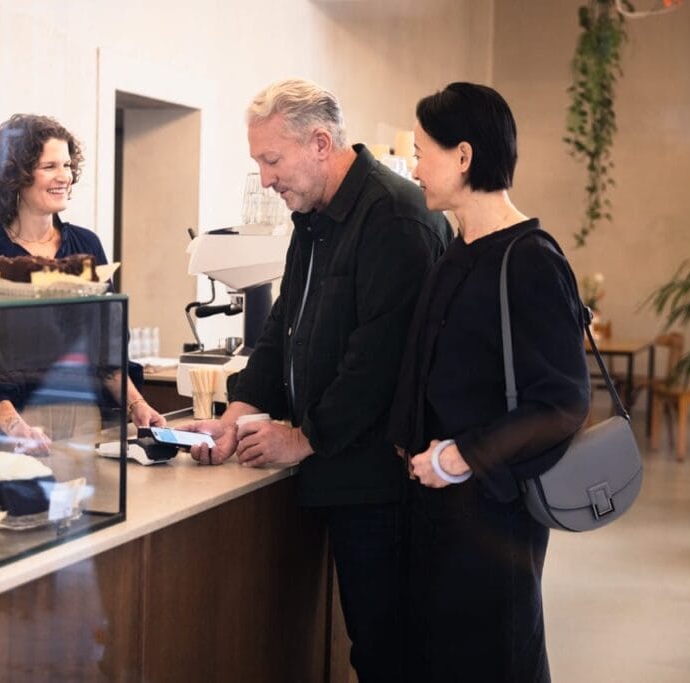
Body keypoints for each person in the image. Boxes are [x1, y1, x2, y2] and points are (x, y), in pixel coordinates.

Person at [188, 79, 452, 683]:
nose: (266, 178)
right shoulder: (313, 215)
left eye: (271, 160)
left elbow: (379, 360)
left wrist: (304, 436)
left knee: (388, 649)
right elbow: (285, 322)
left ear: (321, 143)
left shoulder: (394, 217)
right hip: (335, 472)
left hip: (380, 482)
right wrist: (240, 408)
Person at [388, 83, 591, 682]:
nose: (416, 166)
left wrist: (459, 458)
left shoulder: (531, 258)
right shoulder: (457, 250)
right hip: (431, 513)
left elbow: (563, 401)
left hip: (493, 520)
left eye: (423, 150)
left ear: (464, 157)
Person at [0, 114, 164, 455]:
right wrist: (17, 429)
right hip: (14, 428)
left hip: (85, 423)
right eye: (49, 166)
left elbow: (108, 353)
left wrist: (139, 407)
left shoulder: (86, 247)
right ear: (15, 176)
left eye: (66, 165)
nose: (64, 176)